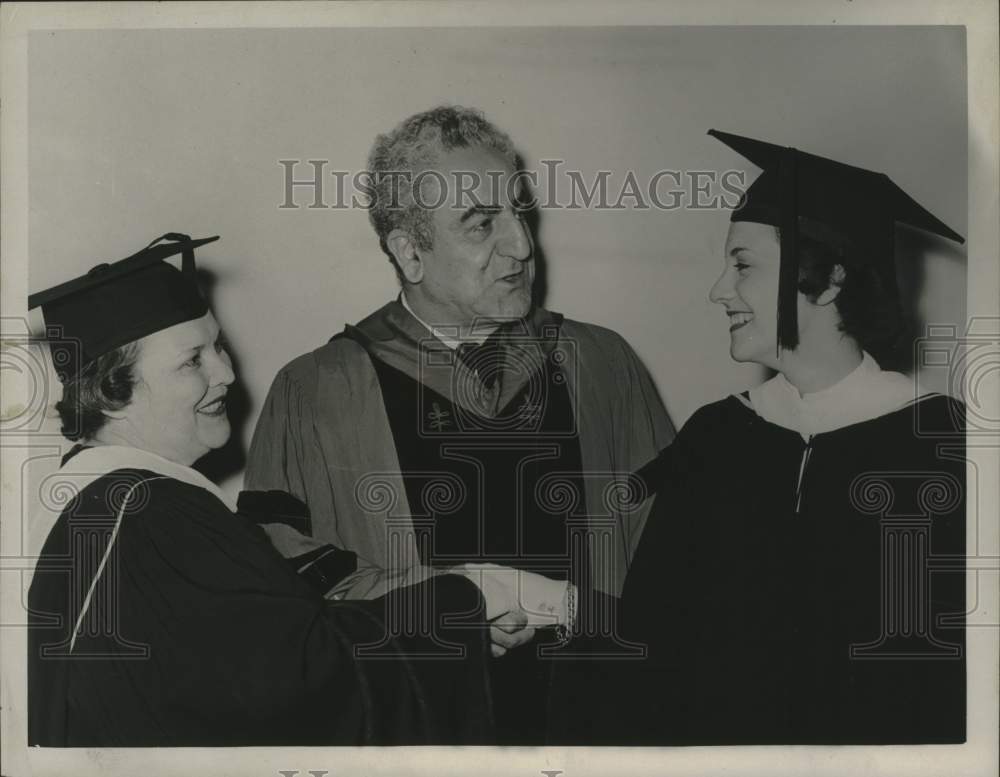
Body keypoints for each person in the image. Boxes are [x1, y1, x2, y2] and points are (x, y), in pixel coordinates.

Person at [245, 106, 674, 743]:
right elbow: (286, 594)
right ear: (409, 252)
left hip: (600, 726)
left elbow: (674, 553)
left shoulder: (602, 363)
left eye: (519, 212)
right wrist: (459, 601)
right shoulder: (315, 392)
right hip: (421, 735)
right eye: (481, 225)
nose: (522, 246)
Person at [26, 233, 503, 747]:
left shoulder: (95, 506)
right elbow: (300, 682)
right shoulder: (155, 517)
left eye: (220, 346)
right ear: (111, 393)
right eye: (192, 361)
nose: (227, 373)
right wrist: (463, 601)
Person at [618, 130, 966, 744]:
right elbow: (652, 640)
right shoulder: (717, 436)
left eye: (743, 265)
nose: (718, 290)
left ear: (829, 281)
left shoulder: (941, 443)